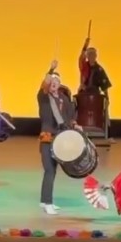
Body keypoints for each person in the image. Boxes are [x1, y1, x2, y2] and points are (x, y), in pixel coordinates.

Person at [38, 61, 78, 215]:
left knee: (53, 171)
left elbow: (70, 116)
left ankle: (44, 201)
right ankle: (48, 203)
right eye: (51, 80)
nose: (53, 83)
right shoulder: (43, 97)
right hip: (47, 138)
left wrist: (75, 125)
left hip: (60, 139)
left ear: (60, 84)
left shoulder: (64, 99)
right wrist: (51, 69)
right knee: (49, 170)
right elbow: (44, 84)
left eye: (56, 80)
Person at [78, 35, 113, 139]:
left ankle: (107, 134)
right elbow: (80, 57)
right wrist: (85, 45)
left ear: (96, 56)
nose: (91, 56)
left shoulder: (100, 69)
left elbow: (104, 85)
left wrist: (107, 98)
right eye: (89, 54)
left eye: (93, 54)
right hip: (84, 93)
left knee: (104, 110)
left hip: (95, 94)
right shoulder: (84, 66)